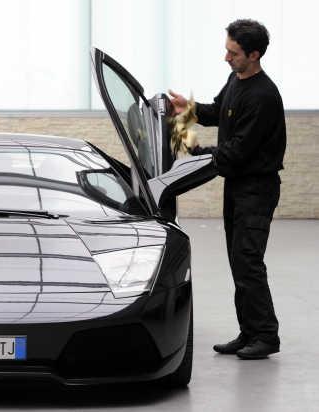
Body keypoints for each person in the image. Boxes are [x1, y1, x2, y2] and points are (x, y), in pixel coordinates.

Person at [168, 19, 286, 360]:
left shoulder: (263, 96)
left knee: (248, 261)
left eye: (233, 53)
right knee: (239, 261)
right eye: (226, 49)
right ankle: (248, 331)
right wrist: (186, 110)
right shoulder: (236, 80)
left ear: (254, 54)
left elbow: (236, 152)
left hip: (257, 188)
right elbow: (218, 111)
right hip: (237, 186)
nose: (226, 57)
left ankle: (266, 336)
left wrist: (194, 153)